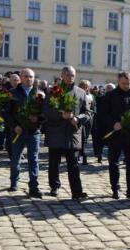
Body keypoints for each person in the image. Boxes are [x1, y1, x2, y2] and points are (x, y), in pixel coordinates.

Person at [43, 66, 91, 200]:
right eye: (68, 75)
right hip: (55, 132)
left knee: (74, 164)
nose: (70, 78)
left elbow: (87, 114)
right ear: (62, 75)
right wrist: (60, 115)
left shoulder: (81, 92)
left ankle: (77, 191)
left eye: (73, 75)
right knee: (54, 163)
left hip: (72, 133)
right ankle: (54, 186)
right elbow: (46, 111)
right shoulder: (53, 91)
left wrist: (78, 118)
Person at [98, 72, 130, 200]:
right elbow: (102, 114)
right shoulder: (110, 96)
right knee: (114, 163)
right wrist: (113, 123)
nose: (126, 86)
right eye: (124, 83)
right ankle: (115, 188)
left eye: (128, 83)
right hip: (116, 135)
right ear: (118, 81)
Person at [4, 68, 44, 198]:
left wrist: (38, 119)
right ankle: (14, 182)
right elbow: (6, 114)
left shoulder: (40, 94)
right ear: (21, 78)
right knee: (15, 159)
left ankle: (34, 186)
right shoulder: (12, 93)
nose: (29, 79)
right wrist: (14, 126)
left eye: (31, 77)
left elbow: (45, 113)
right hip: (18, 132)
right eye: (26, 76)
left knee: (34, 159)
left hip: (33, 132)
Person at [78, 80, 95, 165]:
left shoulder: (91, 96)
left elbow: (94, 106)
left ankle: (82, 153)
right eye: (84, 86)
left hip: (89, 119)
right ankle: (81, 155)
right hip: (80, 119)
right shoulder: (78, 95)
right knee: (81, 137)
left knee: (86, 137)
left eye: (87, 87)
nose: (85, 88)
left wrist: (92, 113)